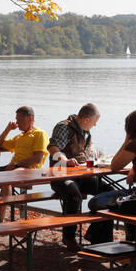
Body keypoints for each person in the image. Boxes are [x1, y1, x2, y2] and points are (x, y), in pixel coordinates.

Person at [48, 103, 108, 250]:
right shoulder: (64, 127)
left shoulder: (86, 133)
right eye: (94, 122)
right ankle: (69, 237)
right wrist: (64, 159)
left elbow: (87, 153)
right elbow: (52, 148)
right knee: (74, 195)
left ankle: (96, 236)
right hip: (60, 176)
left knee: (108, 192)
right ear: (87, 119)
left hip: (81, 175)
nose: (95, 125)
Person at [0, 106, 49, 222]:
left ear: (30, 119)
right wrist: (7, 129)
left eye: (19, 120)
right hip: (13, 168)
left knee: (7, 179)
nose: (17, 123)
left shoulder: (40, 134)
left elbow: (37, 158)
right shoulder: (20, 135)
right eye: (16, 119)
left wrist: (16, 164)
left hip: (29, 170)